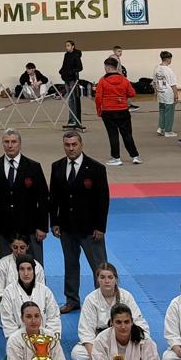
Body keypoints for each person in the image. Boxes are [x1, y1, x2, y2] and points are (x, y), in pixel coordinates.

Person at [49, 129, 109, 312]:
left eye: (74, 144)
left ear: (81, 145)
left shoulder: (96, 168)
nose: (71, 148)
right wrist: (55, 222)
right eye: (67, 145)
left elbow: (103, 200)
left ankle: (104, 301)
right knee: (70, 264)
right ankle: (72, 300)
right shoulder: (57, 166)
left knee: (100, 267)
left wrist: (100, 227)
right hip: (67, 226)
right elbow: (53, 197)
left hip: (90, 228)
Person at [0, 129, 50, 261]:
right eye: (6, 142)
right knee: (6, 267)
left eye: (13, 142)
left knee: (33, 267)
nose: (10, 145)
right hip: (3, 229)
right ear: (2, 143)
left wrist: (42, 227)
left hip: (30, 229)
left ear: (20, 144)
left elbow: (43, 198)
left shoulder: (33, 167)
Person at [73, 262, 147, 360]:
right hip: (101, 343)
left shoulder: (126, 296)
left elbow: (139, 323)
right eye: (102, 277)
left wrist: (137, 344)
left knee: (148, 347)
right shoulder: (91, 299)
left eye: (110, 277)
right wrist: (93, 355)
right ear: (97, 280)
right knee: (77, 354)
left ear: (116, 280)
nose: (106, 281)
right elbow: (86, 331)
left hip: (124, 341)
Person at [0, 256, 62, 340]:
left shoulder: (45, 291)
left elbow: (53, 318)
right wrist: (19, 342)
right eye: (22, 269)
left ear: (34, 271)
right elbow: (8, 322)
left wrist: (47, 340)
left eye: (29, 269)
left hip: (43, 340)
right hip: (19, 341)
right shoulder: (9, 292)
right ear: (18, 271)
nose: (26, 273)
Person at [95, 57, 140, 166]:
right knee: (127, 134)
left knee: (113, 135)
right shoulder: (124, 80)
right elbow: (132, 93)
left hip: (108, 111)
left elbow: (98, 98)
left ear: (107, 67)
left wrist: (99, 110)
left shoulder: (103, 80)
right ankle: (135, 156)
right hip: (123, 110)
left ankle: (116, 157)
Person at [151, 52, 178, 137]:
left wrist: (156, 92)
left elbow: (154, 82)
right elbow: (173, 84)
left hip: (160, 92)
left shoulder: (156, 68)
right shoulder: (168, 70)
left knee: (162, 111)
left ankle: (161, 128)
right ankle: (168, 131)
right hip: (168, 93)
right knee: (169, 112)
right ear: (168, 59)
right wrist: (176, 95)